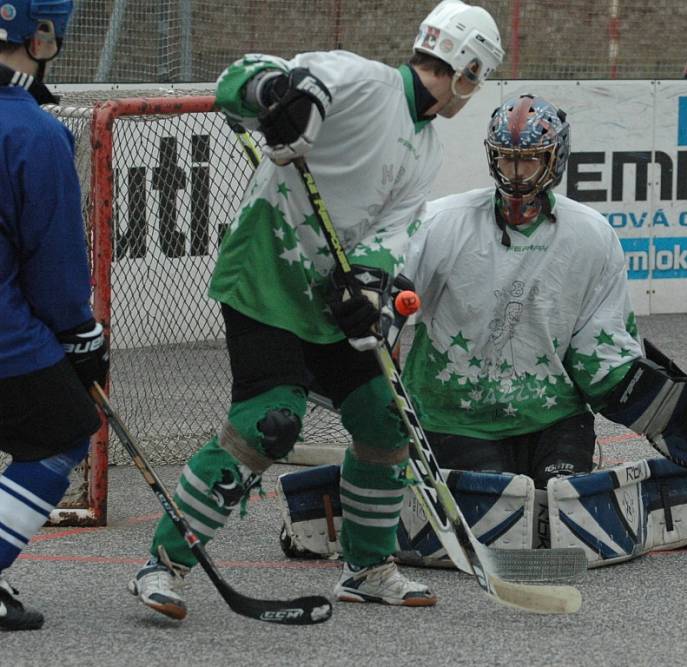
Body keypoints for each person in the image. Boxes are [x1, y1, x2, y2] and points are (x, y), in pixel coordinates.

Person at [127, 0, 504, 619]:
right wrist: (277, 91)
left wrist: (367, 289)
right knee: (269, 423)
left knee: (386, 419)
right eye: (476, 77)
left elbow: (389, 236)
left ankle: (366, 567)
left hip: (324, 292)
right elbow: (237, 82)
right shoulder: (363, 80)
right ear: (467, 69)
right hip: (266, 274)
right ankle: (162, 565)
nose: (471, 91)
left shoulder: (427, 148)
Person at [400, 94, 687, 545]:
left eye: (529, 161)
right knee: (505, 517)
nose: (516, 174)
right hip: (453, 416)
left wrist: (661, 409)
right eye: (507, 161)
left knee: (560, 514)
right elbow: (386, 295)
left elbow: (601, 350)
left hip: (555, 417)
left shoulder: (591, 235)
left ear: (555, 160)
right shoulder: (442, 223)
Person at [0, 0, 109, 631]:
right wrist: (79, 334)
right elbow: (54, 263)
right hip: (5, 335)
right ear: (40, 40)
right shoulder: (33, 133)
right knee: (64, 427)